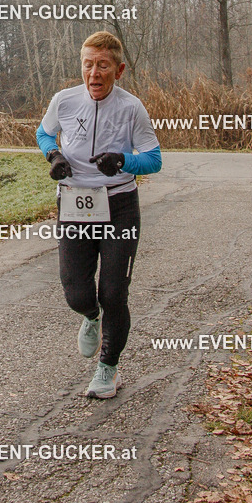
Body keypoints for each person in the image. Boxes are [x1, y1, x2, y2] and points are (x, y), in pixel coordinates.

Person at [36, 31, 162, 398]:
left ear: (118, 70)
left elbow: (153, 159)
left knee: (113, 291)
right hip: (74, 203)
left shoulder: (131, 107)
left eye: (103, 65)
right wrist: (54, 155)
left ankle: (108, 367)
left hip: (119, 206)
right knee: (76, 292)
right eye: (88, 64)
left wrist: (123, 161)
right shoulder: (64, 101)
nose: (94, 73)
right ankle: (90, 318)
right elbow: (44, 134)